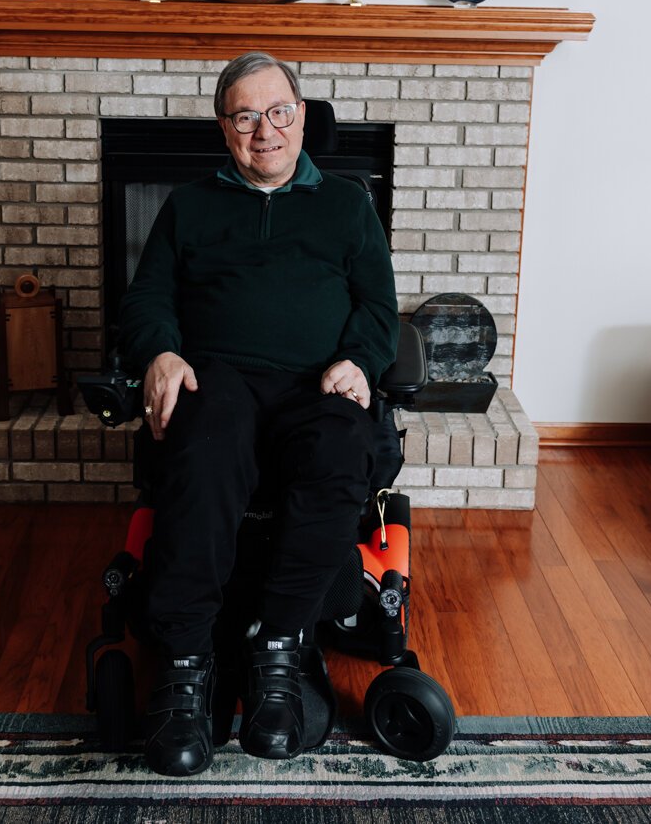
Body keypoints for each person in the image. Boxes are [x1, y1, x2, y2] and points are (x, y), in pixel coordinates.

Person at [118, 51, 398, 777]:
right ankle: (184, 666)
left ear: (301, 116)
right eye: (245, 116)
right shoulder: (190, 204)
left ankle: (278, 649)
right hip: (220, 377)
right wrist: (160, 354)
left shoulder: (347, 204)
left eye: (278, 112)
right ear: (224, 128)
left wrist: (361, 363)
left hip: (317, 383)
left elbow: (379, 308)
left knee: (343, 449)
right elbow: (147, 299)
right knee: (200, 450)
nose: (264, 130)